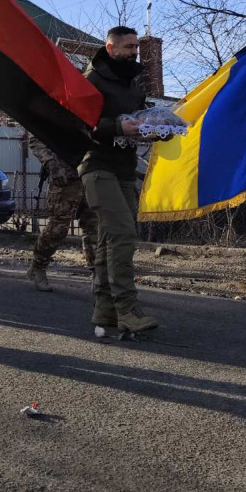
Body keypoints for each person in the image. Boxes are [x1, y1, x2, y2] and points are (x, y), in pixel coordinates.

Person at [79, 26, 157, 334]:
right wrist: (117, 128)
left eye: (136, 46)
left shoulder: (132, 84)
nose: (134, 51)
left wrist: (154, 128)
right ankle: (127, 310)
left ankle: (104, 311)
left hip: (124, 168)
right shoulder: (91, 80)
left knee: (109, 239)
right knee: (123, 235)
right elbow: (78, 122)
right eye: (128, 47)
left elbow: (139, 120)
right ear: (110, 48)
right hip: (97, 166)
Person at [27, 136, 98, 292]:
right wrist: (51, 164)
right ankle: (38, 266)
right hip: (64, 179)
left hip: (90, 175)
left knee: (94, 226)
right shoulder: (54, 112)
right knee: (58, 228)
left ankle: (97, 275)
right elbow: (36, 138)